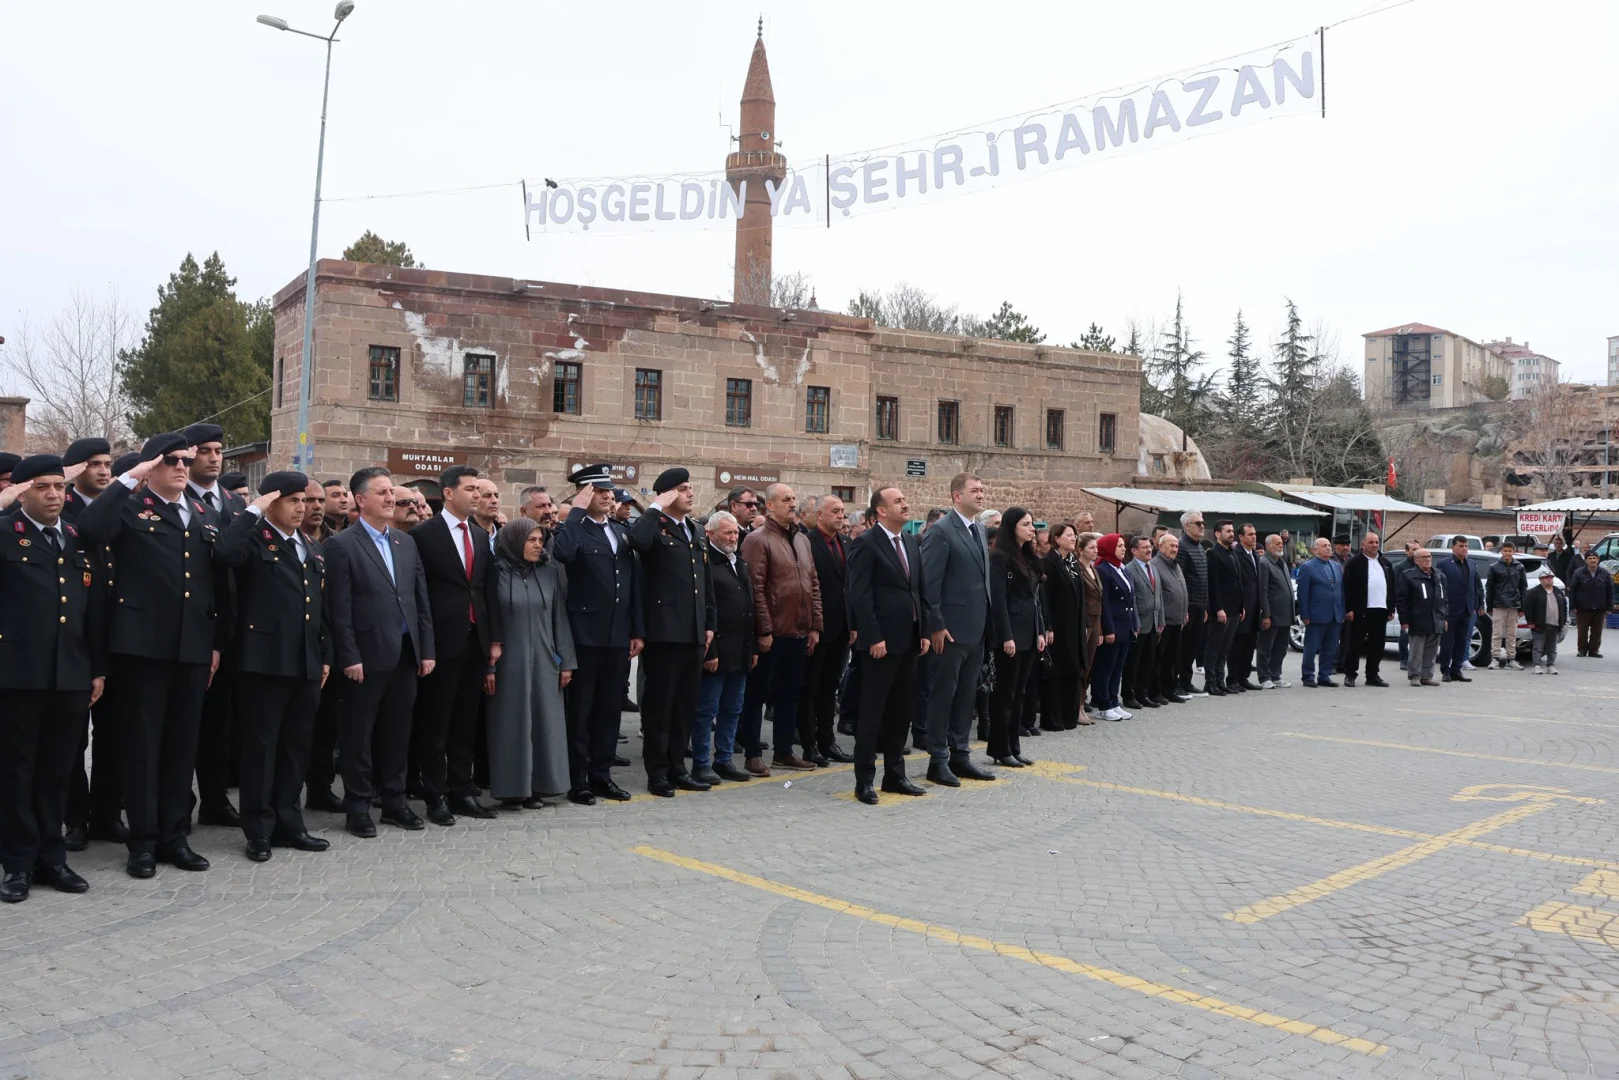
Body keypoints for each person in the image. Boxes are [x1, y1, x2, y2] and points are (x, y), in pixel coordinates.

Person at [77, 433, 222, 878]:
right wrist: (127, 478)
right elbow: (90, 529)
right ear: (150, 467)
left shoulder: (201, 512)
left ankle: (173, 837)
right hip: (142, 647)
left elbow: (211, 582)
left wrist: (214, 641)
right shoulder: (128, 507)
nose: (182, 466)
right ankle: (142, 842)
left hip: (192, 647)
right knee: (142, 747)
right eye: (171, 461)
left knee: (181, 747)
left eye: (186, 459)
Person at [0, 455, 104, 902]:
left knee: (58, 772)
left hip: (70, 675)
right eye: (43, 487)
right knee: (17, 773)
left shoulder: (77, 539)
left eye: (60, 487)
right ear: (22, 492)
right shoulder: (6, 534)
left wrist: (96, 668)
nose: (54, 495)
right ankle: (19, 864)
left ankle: (52, 857)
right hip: (17, 675)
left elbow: (93, 612)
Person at [213, 471, 331, 863]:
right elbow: (225, 553)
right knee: (261, 749)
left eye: (306, 500)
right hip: (263, 663)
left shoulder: (310, 547)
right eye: (293, 500)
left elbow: (319, 609)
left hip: (304, 663)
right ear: (271, 502)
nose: (302, 508)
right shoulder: (253, 539)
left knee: (294, 749)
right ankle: (258, 830)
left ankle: (289, 823)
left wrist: (325, 654)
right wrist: (252, 511)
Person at [324, 467, 436, 838]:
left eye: (393, 492)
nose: (391, 498)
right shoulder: (342, 545)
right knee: (358, 736)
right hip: (365, 657)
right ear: (361, 500)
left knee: (397, 733)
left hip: (404, 655)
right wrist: (349, 655)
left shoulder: (407, 544)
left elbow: (420, 602)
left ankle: (394, 802)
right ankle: (357, 806)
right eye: (384, 492)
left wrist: (425, 649)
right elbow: (339, 609)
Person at [408, 465, 501, 824]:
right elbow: (419, 593)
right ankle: (436, 796)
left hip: (474, 641)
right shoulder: (424, 535)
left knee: (466, 721)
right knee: (436, 724)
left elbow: (486, 589)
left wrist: (494, 639)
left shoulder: (478, 536)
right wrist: (425, 645)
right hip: (441, 643)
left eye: (479, 488)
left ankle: (462, 791)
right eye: (471, 488)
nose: (477, 494)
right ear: (448, 493)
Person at [551, 464, 643, 805]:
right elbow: (563, 554)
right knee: (582, 712)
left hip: (617, 635)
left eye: (608, 491)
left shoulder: (619, 531)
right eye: (599, 491)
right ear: (584, 494)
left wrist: (637, 629)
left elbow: (631, 583)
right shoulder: (574, 529)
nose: (608, 496)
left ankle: (602, 775)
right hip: (585, 635)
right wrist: (574, 513)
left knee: (608, 710)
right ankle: (579, 780)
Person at [627, 467, 715, 797]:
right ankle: (658, 773)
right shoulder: (654, 526)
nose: (690, 493)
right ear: (666, 495)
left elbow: (704, 585)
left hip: (693, 632)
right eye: (682, 488)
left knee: (684, 708)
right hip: (664, 633)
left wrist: (709, 625)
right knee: (660, 708)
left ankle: (679, 768)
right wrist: (652, 508)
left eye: (690, 487)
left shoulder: (695, 530)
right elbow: (637, 542)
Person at [846, 486, 931, 803]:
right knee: (872, 713)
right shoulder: (866, 544)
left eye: (905, 499)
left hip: (908, 640)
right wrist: (873, 636)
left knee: (901, 712)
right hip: (881, 642)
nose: (906, 504)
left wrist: (924, 629)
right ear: (881, 511)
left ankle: (895, 775)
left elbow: (918, 589)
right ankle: (864, 780)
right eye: (898, 501)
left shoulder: (909, 541)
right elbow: (860, 595)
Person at [182, 422, 248, 830]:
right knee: (186, 723)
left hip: (232, 626)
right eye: (204, 450)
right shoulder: (175, 499)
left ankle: (214, 798)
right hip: (192, 627)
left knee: (219, 724)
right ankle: (177, 799)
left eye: (218, 450)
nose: (213, 456)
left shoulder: (235, 504)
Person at [484, 516, 575, 807]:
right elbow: (488, 620)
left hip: (545, 659)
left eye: (540, 540)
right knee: (511, 724)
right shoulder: (495, 572)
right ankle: (512, 790)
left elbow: (559, 618)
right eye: (531, 540)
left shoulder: (548, 573)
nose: (538, 545)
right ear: (514, 542)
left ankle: (540, 786)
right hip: (508, 662)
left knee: (544, 723)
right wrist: (488, 664)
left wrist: (567, 661)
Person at [918, 473, 998, 786]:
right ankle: (937, 760)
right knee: (943, 696)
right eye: (974, 490)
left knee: (966, 697)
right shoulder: (941, 531)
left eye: (982, 489)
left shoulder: (979, 529)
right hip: (949, 632)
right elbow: (929, 583)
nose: (981, 495)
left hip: (976, 630)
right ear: (956, 496)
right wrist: (936, 624)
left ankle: (960, 755)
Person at [57, 437, 117, 851]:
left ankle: (107, 816)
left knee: (115, 735)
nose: (102, 470)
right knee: (74, 738)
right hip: (77, 637)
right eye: (92, 463)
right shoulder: (63, 508)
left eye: (107, 463)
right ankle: (75, 818)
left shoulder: (121, 505)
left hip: (118, 635)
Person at [738, 483, 822, 773]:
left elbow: (812, 584)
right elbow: (755, 588)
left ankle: (783, 751)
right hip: (771, 633)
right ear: (769, 506)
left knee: (790, 694)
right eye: (786, 499)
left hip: (798, 631)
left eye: (794, 499)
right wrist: (763, 630)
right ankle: (752, 752)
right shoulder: (757, 540)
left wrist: (814, 625)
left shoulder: (802, 539)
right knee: (757, 694)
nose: (792, 503)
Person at [691, 511, 756, 784]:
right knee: (707, 711)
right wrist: (712, 651)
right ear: (711, 534)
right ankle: (701, 762)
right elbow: (707, 610)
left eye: (736, 533)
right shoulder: (707, 564)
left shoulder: (738, 563)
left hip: (741, 650)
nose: (733, 537)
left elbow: (749, 609)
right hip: (717, 651)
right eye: (728, 533)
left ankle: (724, 759)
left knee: (733, 708)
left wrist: (752, 648)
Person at [987, 508, 1045, 766]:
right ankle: (1000, 749)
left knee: (1020, 693)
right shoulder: (999, 557)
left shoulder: (1029, 557)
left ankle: (1014, 746)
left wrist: (1040, 630)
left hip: (1030, 633)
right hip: (1011, 635)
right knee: (1006, 694)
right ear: (1012, 527)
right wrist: (1006, 636)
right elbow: (998, 601)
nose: (1032, 529)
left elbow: (1035, 600)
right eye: (1026, 524)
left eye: (1032, 524)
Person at [300, 478, 344, 814]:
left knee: (326, 725)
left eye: (318, 500)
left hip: (328, 647)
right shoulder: (282, 541)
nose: (315, 506)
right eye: (309, 500)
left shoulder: (333, 543)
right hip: (291, 650)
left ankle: (320, 788)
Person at [800, 494, 854, 765]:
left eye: (843, 511)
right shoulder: (807, 543)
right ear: (819, 515)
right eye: (835, 511)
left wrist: (853, 624)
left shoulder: (846, 542)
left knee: (830, 687)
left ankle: (827, 740)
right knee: (811, 686)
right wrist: (813, 626)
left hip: (842, 628)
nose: (841, 515)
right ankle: (809, 744)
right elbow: (806, 588)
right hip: (818, 628)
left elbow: (851, 586)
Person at [1040, 523, 1085, 728]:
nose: (1073, 538)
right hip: (1057, 625)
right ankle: (1053, 718)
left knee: (1073, 670)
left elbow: (1080, 594)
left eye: (1075, 535)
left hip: (1073, 625)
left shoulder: (1073, 562)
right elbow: (1045, 597)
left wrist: (1083, 623)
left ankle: (1069, 715)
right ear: (1056, 539)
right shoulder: (1049, 562)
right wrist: (1047, 626)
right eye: (1069, 535)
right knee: (1056, 671)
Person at [1091, 533, 1136, 720]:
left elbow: (1131, 600)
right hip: (1113, 625)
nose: (1123, 549)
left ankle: (1113, 701)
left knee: (1118, 666)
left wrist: (1134, 623)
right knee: (1106, 667)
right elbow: (1105, 602)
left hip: (1125, 624)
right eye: (1118, 546)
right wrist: (1108, 629)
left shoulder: (1122, 568)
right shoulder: (1103, 569)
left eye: (1123, 545)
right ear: (1108, 548)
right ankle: (1103, 704)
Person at [1342, 532, 1395, 688]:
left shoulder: (1385, 563)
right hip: (1361, 610)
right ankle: (1350, 674)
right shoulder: (1354, 563)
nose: (1374, 545)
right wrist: (1349, 608)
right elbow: (1347, 587)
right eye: (1371, 542)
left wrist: (1391, 607)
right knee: (1356, 644)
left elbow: (1392, 586)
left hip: (1381, 609)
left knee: (1377, 645)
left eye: (1377, 542)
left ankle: (1372, 675)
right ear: (1363, 545)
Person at [1120, 534, 1163, 709]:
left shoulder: (1152, 568)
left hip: (1153, 622)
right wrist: (1134, 622)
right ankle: (1129, 695)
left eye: (1150, 546)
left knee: (1148, 660)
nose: (1149, 549)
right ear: (1134, 551)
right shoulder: (1129, 569)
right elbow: (1132, 599)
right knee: (1133, 662)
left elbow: (1158, 595)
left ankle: (1143, 693)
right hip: (1139, 624)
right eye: (1144, 547)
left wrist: (1160, 619)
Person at [1296, 538, 1346, 688]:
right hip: (1316, 614)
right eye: (1324, 546)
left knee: (1330, 648)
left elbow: (1341, 591)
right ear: (1315, 549)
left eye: (1329, 546)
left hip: (1335, 614)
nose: (1328, 548)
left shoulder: (1336, 566)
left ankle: (1324, 675)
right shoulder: (1308, 567)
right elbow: (1303, 593)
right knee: (1311, 648)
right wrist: (1304, 615)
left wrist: (1342, 610)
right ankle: (1308, 676)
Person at [1437, 537, 1486, 682]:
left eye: (1466, 546)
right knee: (1447, 642)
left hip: (1467, 609)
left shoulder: (1471, 564)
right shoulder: (1444, 564)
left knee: (1462, 642)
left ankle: (1456, 670)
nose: (1464, 548)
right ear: (1453, 548)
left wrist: (1480, 604)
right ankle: (1445, 670)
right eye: (1461, 546)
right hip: (1450, 610)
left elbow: (1477, 586)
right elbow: (1440, 587)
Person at [1396, 547, 1447, 686]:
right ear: (1416, 560)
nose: (1427, 559)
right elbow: (1401, 600)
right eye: (1424, 557)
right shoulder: (1408, 575)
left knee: (1431, 650)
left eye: (1429, 556)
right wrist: (1404, 620)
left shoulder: (1439, 575)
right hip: (1417, 618)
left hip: (1436, 618)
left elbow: (1444, 598)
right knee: (1416, 650)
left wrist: (1444, 618)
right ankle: (1415, 675)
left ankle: (1426, 676)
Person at [1202, 521, 1241, 696]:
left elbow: (1238, 582)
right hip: (1222, 609)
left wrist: (1242, 606)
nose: (1231, 534)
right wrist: (1218, 608)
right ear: (1218, 534)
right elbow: (1214, 584)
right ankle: (1210, 682)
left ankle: (1220, 680)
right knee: (1214, 647)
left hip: (1234, 608)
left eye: (1232, 531)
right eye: (1228, 531)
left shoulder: (1232, 552)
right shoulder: (1213, 554)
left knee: (1225, 649)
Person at [1151, 533, 1189, 704]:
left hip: (1177, 620)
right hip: (1164, 621)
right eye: (1171, 546)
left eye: (1176, 546)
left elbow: (1180, 589)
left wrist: (1184, 612)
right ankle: (1156, 691)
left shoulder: (1175, 565)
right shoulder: (1155, 565)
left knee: (1173, 659)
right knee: (1159, 659)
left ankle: (1169, 689)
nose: (1175, 549)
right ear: (1161, 547)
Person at [1175, 512, 1210, 698]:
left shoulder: (1199, 547)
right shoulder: (1182, 547)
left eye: (1203, 522)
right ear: (1186, 526)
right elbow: (1180, 580)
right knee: (1183, 647)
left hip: (1200, 605)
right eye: (1198, 523)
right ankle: (1176, 683)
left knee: (1193, 647)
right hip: (1188, 607)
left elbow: (1203, 579)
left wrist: (1205, 606)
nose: (1202, 526)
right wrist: (1185, 608)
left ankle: (1186, 682)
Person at [1226, 524, 1265, 692]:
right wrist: (1240, 605)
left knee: (1250, 645)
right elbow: (1237, 582)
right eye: (1250, 534)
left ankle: (1244, 677)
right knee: (1237, 645)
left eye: (1255, 534)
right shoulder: (1237, 554)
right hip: (1242, 607)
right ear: (1240, 537)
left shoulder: (1255, 555)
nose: (1254, 537)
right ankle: (1232, 679)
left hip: (1255, 607)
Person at [1073, 532, 1106, 722]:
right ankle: (1076, 706)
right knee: (1081, 665)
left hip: (1096, 620)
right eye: (1092, 548)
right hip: (1085, 620)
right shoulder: (1078, 569)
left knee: (1089, 666)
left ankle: (1081, 704)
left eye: (1096, 548)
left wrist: (1100, 628)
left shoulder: (1094, 569)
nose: (1096, 551)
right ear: (1081, 550)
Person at [1255, 534, 1295, 689]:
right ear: (1268, 546)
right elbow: (1263, 591)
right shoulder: (1264, 563)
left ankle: (1275, 674)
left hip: (1285, 614)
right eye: (1277, 543)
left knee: (1281, 647)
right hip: (1272, 614)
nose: (1281, 546)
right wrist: (1266, 614)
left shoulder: (1282, 562)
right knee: (1266, 647)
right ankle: (1264, 677)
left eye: (1282, 543)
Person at [1485, 542, 1528, 670]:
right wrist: (1490, 606)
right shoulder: (1494, 567)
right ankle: (1495, 658)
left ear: (1514, 551)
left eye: (1510, 551)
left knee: (1512, 634)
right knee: (1497, 633)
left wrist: (1522, 607)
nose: (1508, 553)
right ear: (1501, 551)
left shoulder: (1519, 567)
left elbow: (1523, 588)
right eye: (1505, 550)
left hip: (1514, 605)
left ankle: (1511, 659)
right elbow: (1489, 588)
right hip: (1498, 604)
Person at [1524, 566, 1568, 674]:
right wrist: (1530, 622)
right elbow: (1528, 608)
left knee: (1552, 648)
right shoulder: (1533, 592)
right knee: (1538, 647)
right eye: (1546, 578)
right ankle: (1537, 665)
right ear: (1540, 580)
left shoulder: (1558, 592)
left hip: (1555, 625)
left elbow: (1564, 608)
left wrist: (1563, 622)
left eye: (1550, 577)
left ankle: (1551, 665)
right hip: (1539, 626)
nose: (1549, 579)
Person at [1570, 551, 1614, 657]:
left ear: (1598, 560)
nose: (1592, 560)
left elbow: (1610, 591)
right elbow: (1572, 590)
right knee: (1582, 631)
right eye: (1590, 558)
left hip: (1600, 608)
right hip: (1583, 608)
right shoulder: (1578, 573)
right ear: (1586, 561)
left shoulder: (1605, 573)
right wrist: (1573, 606)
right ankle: (1582, 650)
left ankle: (1594, 650)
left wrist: (1609, 607)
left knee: (1597, 631)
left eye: (1594, 558)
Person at [59, 437, 113, 521]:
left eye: (107, 464)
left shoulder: (117, 504)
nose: (104, 472)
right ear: (75, 469)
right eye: (94, 464)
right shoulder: (58, 507)